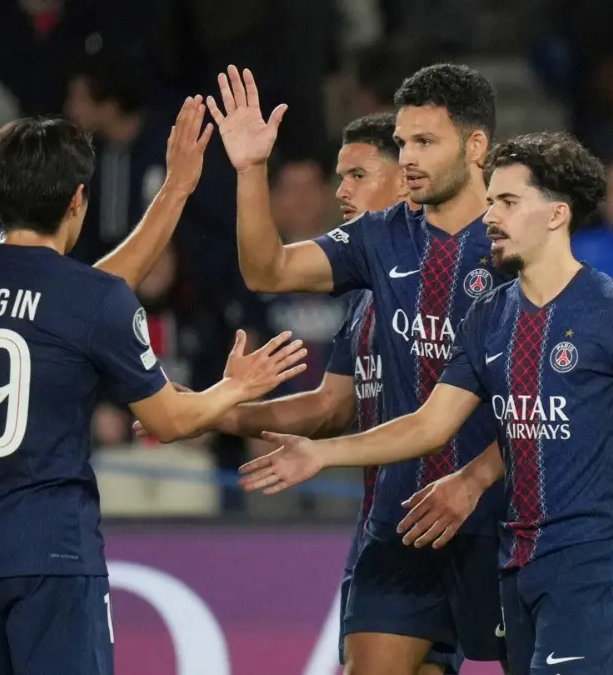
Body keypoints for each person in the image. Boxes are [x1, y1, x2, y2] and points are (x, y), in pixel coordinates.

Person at [0, 116, 308, 674]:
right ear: (77, 199)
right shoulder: (92, 297)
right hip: (54, 550)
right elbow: (168, 420)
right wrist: (234, 388)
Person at [240, 131, 613, 675]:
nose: (491, 216)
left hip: (594, 556)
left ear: (557, 214)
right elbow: (428, 426)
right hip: (515, 557)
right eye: (491, 201)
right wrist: (322, 453)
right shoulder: (488, 316)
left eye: (509, 202)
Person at [206, 63, 509, 673]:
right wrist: (250, 170)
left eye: (425, 141)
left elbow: (544, 397)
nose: (409, 157)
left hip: (501, 521)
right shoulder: (378, 238)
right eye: (403, 142)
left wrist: (475, 480)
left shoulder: (517, 241)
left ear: (476, 146)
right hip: (400, 525)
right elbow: (267, 270)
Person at [134, 112, 457, 674]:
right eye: (341, 177)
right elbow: (330, 406)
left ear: (406, 179)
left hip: (466, 516)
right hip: (392, 523)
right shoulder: (366, 293)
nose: (342, 191)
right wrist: (213, 413)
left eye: (358, 176)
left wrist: (476, 480)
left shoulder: (460, 270)